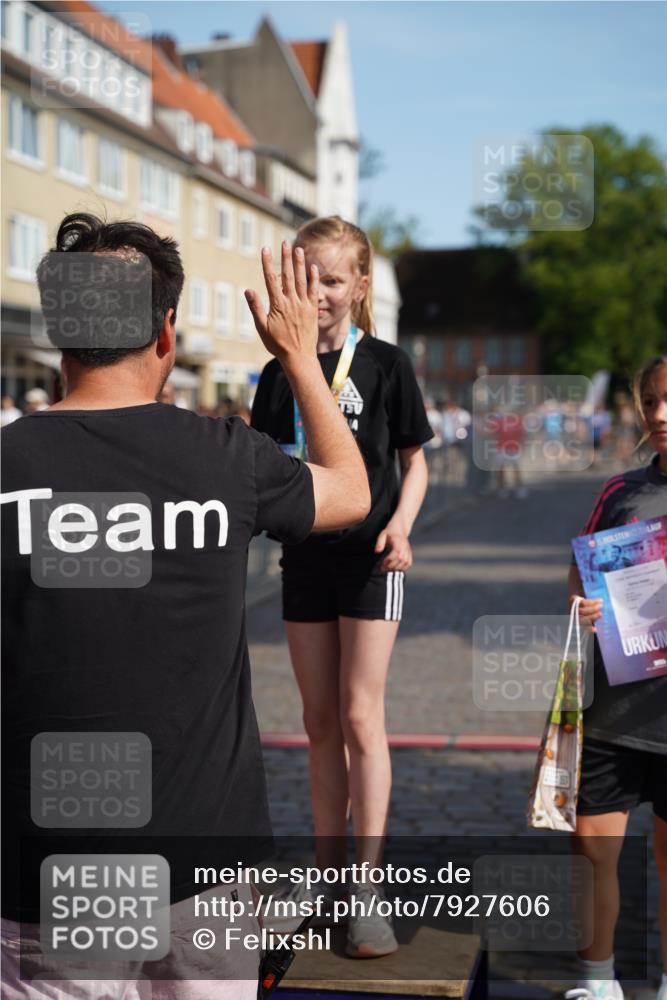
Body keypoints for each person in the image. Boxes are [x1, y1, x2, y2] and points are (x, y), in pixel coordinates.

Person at [1, 213, 370, 999]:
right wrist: (300, 359)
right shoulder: (226, 459)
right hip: (206, 864)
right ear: (166, 333)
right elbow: (351, 493)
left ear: (60, 334)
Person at [251, 215, 433, 958]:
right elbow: (265, 460)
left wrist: (404, 526)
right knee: (318, 720)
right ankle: (325, 879)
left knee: (361, 717)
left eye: (332, 280)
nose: (318, 293)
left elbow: (414, 460)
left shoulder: (386, 364)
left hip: (369, 562)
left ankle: (365, 885)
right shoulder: (273, 372)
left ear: (359, 288)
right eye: (308, 278)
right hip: (305, 560)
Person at [566, 354, 667, 1000]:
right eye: (651, 401)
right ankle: (596, 982)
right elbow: (579, 573)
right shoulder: (619, 491)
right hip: (611, 704)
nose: (659, 415)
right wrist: (582, 604)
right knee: (590, 850)